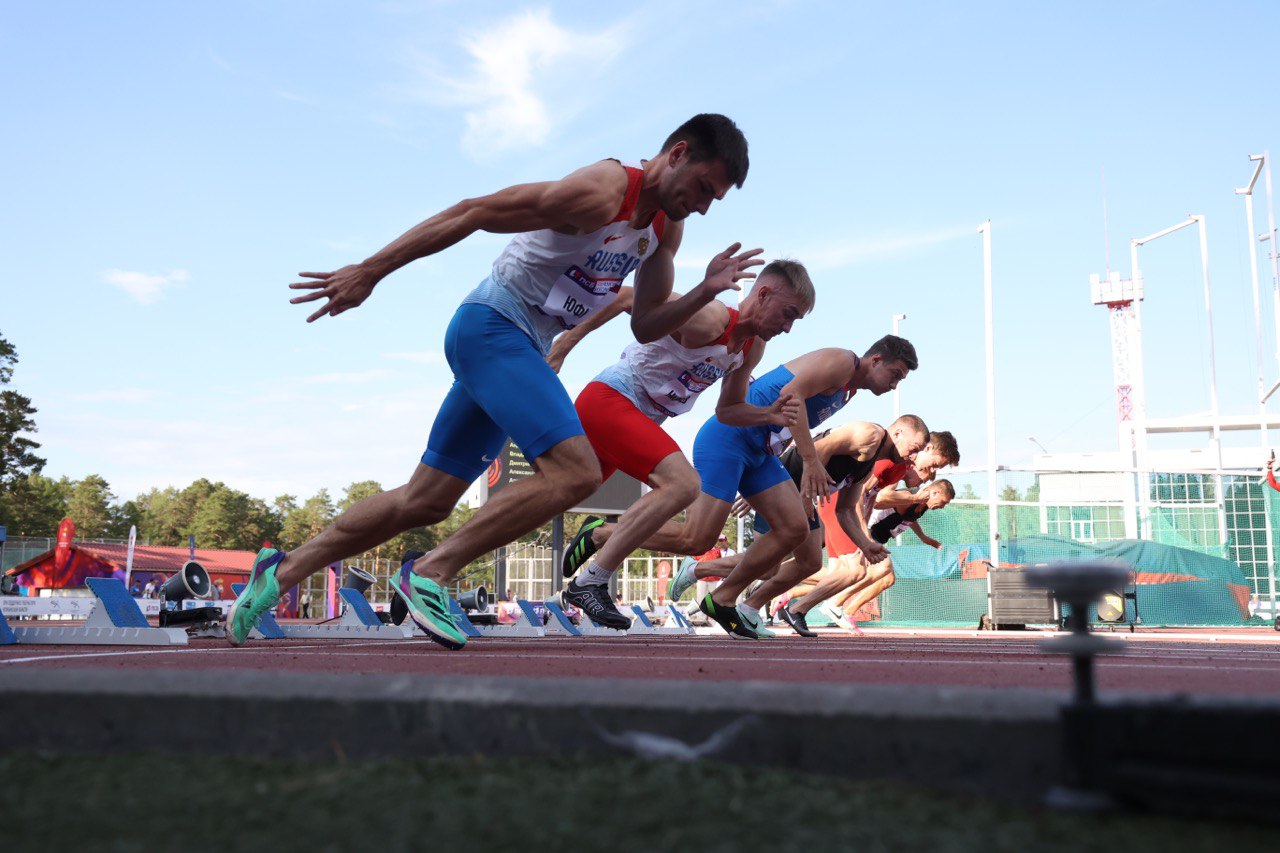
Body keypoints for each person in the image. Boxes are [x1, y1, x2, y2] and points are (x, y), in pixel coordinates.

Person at [227, 114, 757, 650]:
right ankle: (430, 572)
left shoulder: (665, 228)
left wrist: (704, 290)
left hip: (516, 346)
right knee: (576, 472)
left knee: (427, 499)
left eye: (716, 199)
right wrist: (371, 270)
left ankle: (283, 571)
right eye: (703, 188)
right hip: (492, 324)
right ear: (678, 153)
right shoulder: (600, 192)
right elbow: (474, 211)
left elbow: (645, 324)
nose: (704, 204)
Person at [585, 336, 919, 638]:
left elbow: (793, 424)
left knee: (794, 529)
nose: (895, 384)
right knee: (697, 538)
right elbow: (791, 396)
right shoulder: (842, 362)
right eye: (895, 374)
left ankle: (723, 598)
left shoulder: (848, 390)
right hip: (729, 438)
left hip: (761, 452)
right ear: (875, 360)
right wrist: (810, 462)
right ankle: (603, 533)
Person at [552, 260, 814, 628]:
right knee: (682, 484)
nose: (787, 328)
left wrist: (769, 416)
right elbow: (627, 298)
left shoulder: (752, 348)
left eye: (795, 321)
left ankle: (444, 567)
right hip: (612, 399)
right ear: (764, 294)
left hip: (639, 418)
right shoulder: (710, 319)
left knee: (549, 495)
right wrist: (563, 346)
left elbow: (729, 410)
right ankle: (590, 582)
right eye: (788, 314)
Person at [670, 415, 930, 636]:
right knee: (770, 565)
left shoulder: (868, 466)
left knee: (807, 563)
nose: (915, 456)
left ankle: (742, 605)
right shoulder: (868, 434)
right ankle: (712, 585)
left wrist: (867, 544)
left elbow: (846, 510)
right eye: (915, 447)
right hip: (782, 485)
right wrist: (773, 491)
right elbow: (815, 451)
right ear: (897, 432)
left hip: (799, 492)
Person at [779, 433, 959, 636]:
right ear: (927, 449)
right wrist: (863, 536)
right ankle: (804, 606)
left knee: (836, 571)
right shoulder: (893, 463)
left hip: (844, 508)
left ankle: (782, 588)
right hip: (840, 506)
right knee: (858, 571)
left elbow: (871, 498)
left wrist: (923, 537)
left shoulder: (901, 470)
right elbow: (864, 493)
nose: (931, 473)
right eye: (932, 467)